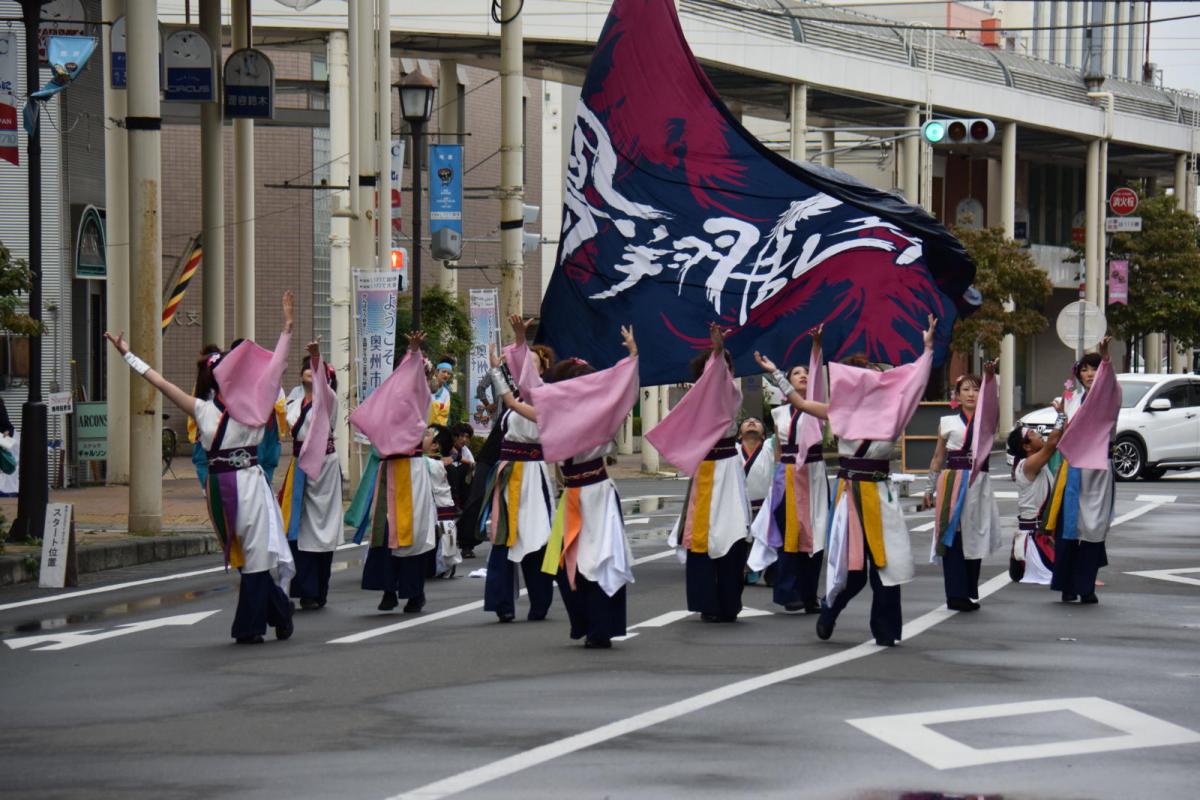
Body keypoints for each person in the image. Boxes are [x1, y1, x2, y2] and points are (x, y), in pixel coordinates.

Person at [105, 293, 296, 644]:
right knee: (241, 557)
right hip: (219, 490)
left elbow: (274, 369)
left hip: (251, 486)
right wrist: (126, 354)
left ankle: (249, 628)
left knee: (254, 556)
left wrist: (286, 329)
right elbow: (159, 382)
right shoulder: (203, 409)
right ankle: (280, 613)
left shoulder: (256, 405)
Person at [772, 315, 937, 647]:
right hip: (849, 495)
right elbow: (802, 403)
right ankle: (830, 609)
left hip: (881, 494)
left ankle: (886, 631)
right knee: (854, 569)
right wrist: (777, 374)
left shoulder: (895, 414)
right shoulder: (839, 411)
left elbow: (916, 383)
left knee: (887, 567)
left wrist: (928, 348)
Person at [515, 325, 640, 649]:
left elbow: (623, 390)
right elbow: (531, 392)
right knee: (561, 562)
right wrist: (518, 343)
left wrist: (632, 356)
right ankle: (585, 623)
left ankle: (601, 627)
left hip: (597, 493)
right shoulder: (555, 413)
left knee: (598, 561)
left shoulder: (602, 413)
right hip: (571, 494)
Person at [648, 323, 750, 624]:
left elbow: (718, 382)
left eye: (724, 367)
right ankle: (708, 601)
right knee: (701, 537)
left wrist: (718, 351)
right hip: (705, 470)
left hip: (727, 469)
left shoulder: (730, 393)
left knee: (730, 534)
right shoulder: (694, 399)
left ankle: (728, 602)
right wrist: (715, 354)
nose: (719, 372)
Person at [345, 331, 439, 614]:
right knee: (385, 532)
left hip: (411, 469)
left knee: (410, 533)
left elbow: (419, 385)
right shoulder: (387, 400)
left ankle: (413, 592)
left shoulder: (421, 403)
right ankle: (388, 589)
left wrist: (414, 353)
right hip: (389, 471)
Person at [481, 315, 558, 623]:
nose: (528, 365)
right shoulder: (518, 402)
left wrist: (517, 344)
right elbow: (512, 391)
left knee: (535, 538)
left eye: (535, 362)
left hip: (532, 475)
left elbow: (512, 395)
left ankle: (540, 601)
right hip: (509, 472)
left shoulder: (546, 401)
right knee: (503, 537)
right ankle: (502, 603)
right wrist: (500, 364)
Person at [750, 330, 830, 614]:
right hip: (788, 478)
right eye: (797, 374)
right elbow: (781, 453)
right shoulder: (779, 415)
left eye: (807, 374)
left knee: (816, 535)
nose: (804, 377)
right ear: (789, 379)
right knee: (789, 536)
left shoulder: (819, 409)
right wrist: (777, 484)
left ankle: (811, 595)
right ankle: (788, 593)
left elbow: (817, 376)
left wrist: (817, 345)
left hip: (814, 475)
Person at [1046, 338, 1119, 604]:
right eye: (1085, 370)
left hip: (1098, 470)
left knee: (1093, 528)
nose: (1089, 374)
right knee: (1070, 528)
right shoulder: (1072, 400)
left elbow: (1109, 384)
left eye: (1095, 369)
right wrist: (1062, 415)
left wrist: (1106, 358)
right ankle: (1066, 584)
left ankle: (1086, 586)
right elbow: (1063, 434)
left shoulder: (1110, 396)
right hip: (1074, 470)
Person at [924, 365, 1002, 612]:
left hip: (978, 482)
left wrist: (990, 378)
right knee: (952, 536)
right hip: (952, 482)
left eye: (976, 390)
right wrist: (929, 487)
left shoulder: (988, 420)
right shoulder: (946, 422)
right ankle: (955, 595)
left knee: (975, 534)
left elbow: (993, 405)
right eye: (965, 389)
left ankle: (968, 590)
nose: (970, 394)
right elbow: (938, 456)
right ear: (956, 395)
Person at [278, 340, 343, 610]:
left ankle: (318, 589)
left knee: (321, 529)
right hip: (299, 465)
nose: (310, 371)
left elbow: (321, 386)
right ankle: (303, 588)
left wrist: (316, 357)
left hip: (324, 466)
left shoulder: (327, 400)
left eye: (315, 370)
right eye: (307, 367)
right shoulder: (293, 402)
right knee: (298, 526)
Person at [1006, 409, 1064, 585]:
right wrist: (1061, 415)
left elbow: (1059, 438)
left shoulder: (1035, 463)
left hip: (1040, 533)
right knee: (1066, 576)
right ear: (1026, 446)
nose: (1039, 434)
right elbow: (1053, 442)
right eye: (1033, 433)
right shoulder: (1028, 465)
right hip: (1034, 537)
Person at [425, 424, 463, 579]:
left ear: (434, 445)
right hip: (442, 508)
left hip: (439, 508)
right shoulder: (438, 462)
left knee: (439, 540)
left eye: (426, 435)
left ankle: (441, 566)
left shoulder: (431, 464)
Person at [189, 344, 223, 488]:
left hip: (204, 426)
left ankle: (207, 487)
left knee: (202, 461)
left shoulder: (201, 383)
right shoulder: (225, 382)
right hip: (222, 425)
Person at [429, 355, 455, 426]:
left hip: (438, 427)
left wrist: (434, 405)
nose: (446, 375)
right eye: (444, 371)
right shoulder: (427, 386)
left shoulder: (446, 393)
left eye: (449, 373)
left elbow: (445, 412)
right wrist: (440, 406)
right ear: (437, 372)